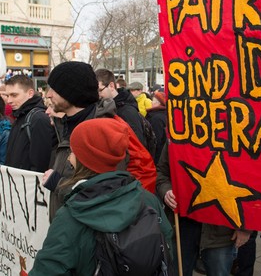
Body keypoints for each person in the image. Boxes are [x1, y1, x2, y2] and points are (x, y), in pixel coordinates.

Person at [29, 118, 173, 276]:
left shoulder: (71, 216)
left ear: (85, 160)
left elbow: (47, 270)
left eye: (73, 151)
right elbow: (167, 250)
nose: (69, 158)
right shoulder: (148, 199)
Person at [44, 61, 157, 220]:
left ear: (71, 92)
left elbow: (108, 193)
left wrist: (58, 184)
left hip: (91, 236)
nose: (48, 95)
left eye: (54, 90)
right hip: (71, 229)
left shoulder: (103, 132)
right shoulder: (65, 124)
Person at [157, 141, 250, 276]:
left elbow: (253, 181)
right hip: (183, 226)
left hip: (221, 231)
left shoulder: (236, 137)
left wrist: (246, 227)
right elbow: (162, 173)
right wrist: (166, 191)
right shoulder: (177, 137)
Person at [4, 75, 55, 172]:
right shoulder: (20, 117)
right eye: (7, 96)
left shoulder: (38, 118)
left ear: (30, 93)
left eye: (14, 95)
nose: (9, 101)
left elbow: (41, 162)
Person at [96, 69, 148, 147]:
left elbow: (137, 145)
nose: (98, 95)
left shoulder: (127, 111)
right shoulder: (103, 106)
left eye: (100, 90)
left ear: (111, 86)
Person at [146, 90, 168, 164]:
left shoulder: (156, 119)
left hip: (157, 156)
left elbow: (156, 140)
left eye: (154, 101)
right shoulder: (164, 115)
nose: (151, 102)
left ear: (159, 103)